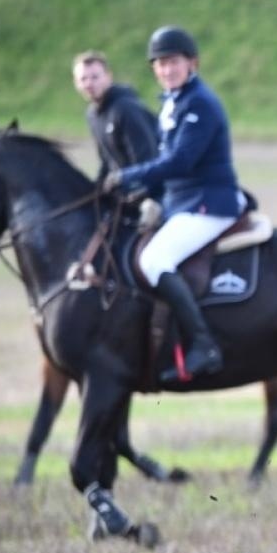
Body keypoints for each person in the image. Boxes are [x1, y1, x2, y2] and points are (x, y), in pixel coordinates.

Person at [102, 25, 246, 384]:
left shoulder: (200, 103)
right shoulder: (172, 101)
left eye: (174, 62)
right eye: (160, 64)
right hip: (182, 201)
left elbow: (181, 161)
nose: (167, 70)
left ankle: (203, 344)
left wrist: (128, 176)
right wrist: (143, 193)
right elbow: (169, 165)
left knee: (153, 260)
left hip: (208, 204)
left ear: (192, 63)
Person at [71, 50, 158, 184]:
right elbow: (107, 161)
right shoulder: (92, 115)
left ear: (108, 77)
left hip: (149, 188)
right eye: (83, 79)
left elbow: (147, 158)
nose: (89, 84)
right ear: (76, 83)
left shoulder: (126, 109)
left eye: (95, 77)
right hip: (124, 186)